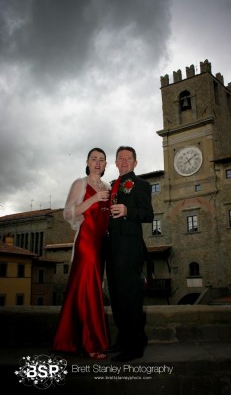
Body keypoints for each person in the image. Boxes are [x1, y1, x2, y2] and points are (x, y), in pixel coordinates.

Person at [52, 147, 110, 360]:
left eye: (101, 159)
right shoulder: (80, 184)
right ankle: (89, 343)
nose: (97, 162)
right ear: (87, 162)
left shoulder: (108, 186)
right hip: (86, 242)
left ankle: (71, 340)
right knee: (87, 288)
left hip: (101, 244)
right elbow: (67, 213)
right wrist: (93, 200)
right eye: (93, 158)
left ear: (105, 165)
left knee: (89, 289)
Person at [105, 146, 154, 362]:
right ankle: (123, 340)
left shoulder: (141, 184)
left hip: (130, 248)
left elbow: (148, 215)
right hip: (111, 248)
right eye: (120, 158)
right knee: (116, 296)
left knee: (131, 297)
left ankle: (135, 345)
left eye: (128, 158)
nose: (124, 161)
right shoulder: (111, 187)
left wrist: (127, 211)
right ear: (115, 163)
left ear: (135, 163)